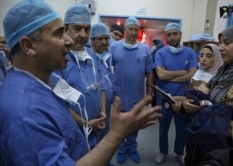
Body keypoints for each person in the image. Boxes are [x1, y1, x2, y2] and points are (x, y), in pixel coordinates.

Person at [0, 0, 162, 165]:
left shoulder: (39, 82)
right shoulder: (25, 111)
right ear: (28, 45)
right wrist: (117, 134)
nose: (69, 41)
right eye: (59, 33)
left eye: (87, 29)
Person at [173, 24, 233, 166]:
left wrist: (227, 160)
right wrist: (184, 106)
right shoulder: (222, 73)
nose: (220, 47)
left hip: (221, 155)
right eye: (220, 43)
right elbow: (205, 102)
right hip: (200, 146)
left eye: (227, 43)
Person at [54, 4, 107, 151]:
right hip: (73, 131)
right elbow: (58, 103)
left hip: (96, 127)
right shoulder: (58, 60)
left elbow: (101, 85)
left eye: (87, 29)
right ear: (65, 29)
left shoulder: (91, 55)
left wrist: (102, 112)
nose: (83, 35)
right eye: (77, 29)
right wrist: (86, 124)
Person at [109, 16, 154, 164]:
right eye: (130, 29)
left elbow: (150, 72)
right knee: (120, 125)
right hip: (119, 95)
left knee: (134, 124)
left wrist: (149, 93)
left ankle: (132, 148)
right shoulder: (114, 48)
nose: (133, 32)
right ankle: (122, 149)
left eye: (136, 29)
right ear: (125, 31)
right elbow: (107, 70)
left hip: (137, 96)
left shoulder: (144, 49)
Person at [154, 22, 198, 165]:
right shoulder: (160, 53)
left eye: (175, 33)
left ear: (180, 34)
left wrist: (169, 74)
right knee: (163, 128)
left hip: (183, 97)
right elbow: (160, 76)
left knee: (181, 128)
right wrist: (183, 73)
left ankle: (179, 152)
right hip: (164, 97)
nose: (172, 37)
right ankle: (163, 151)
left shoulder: (190, 53)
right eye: (169, 34)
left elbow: (191, 75)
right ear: (165, 36)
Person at [186, 80, 233, 148]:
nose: (209, 89)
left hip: (211, 121)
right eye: (206, 86)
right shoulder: (192, 97)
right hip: (204, 124)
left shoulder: (206, 98)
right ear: (197, 87)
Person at [89, 23, 114, 140]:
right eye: (100, 38)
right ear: (92, 40)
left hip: (107, 107)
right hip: (92, 107)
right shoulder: (87, 60)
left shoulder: (107, 58)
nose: (104, 42)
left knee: (104, 134)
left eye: (106, 38)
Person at [151, 39, 164, 106]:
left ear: (158, 45)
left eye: (153, 45)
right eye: (151, 45)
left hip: (159, 78)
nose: (152, 47)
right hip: (153, 76)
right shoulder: (152, 54)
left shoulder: (161, 53)